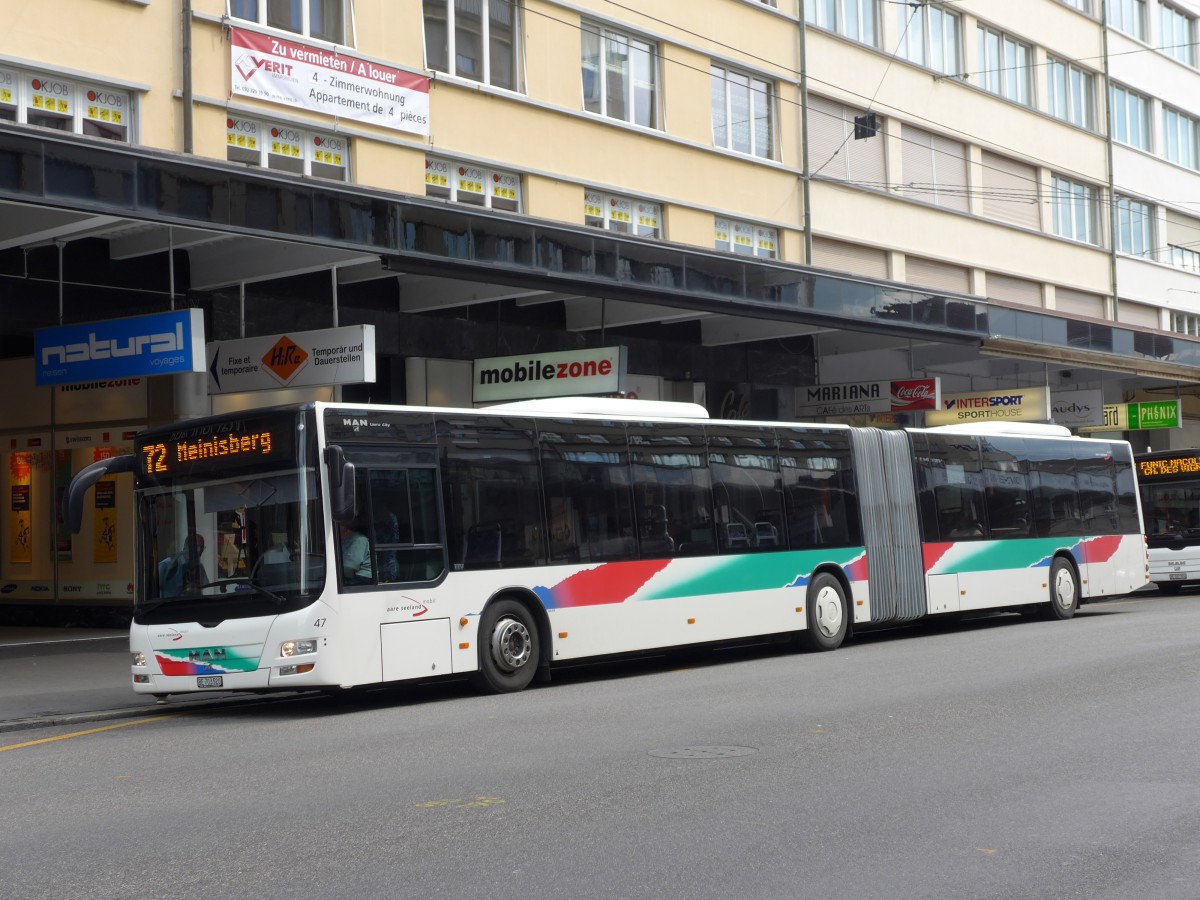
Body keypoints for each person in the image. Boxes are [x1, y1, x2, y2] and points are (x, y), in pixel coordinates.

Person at [158, 532, 209, 597]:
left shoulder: (199, 567)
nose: (199, 550)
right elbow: (154, 588)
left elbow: (202, 586)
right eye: (196, 546)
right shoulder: (167, 564)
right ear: (186, 546)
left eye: (202, 547)